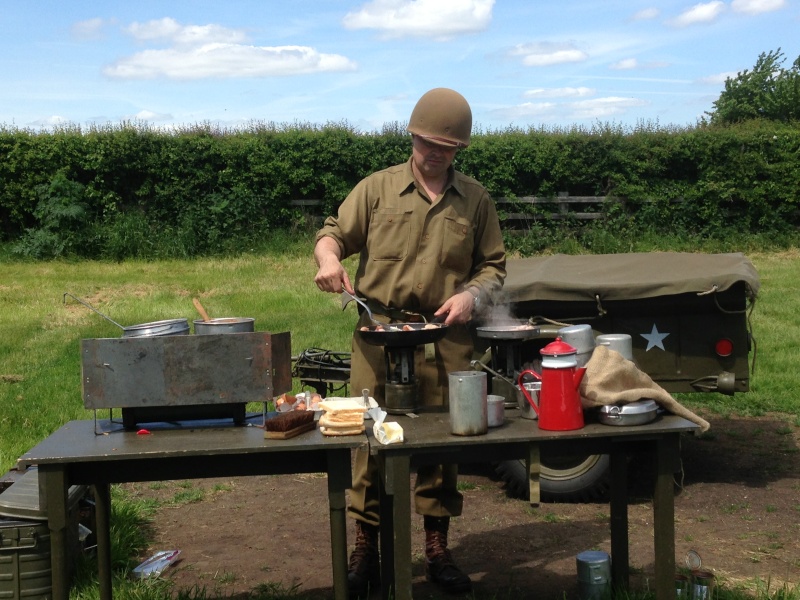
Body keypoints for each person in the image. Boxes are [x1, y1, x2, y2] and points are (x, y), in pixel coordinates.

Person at [313, 87, 506, 598]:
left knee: (443, 443)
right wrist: (328, 259)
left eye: (447, 146)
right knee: (366, 441)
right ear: (412, 136)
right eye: (428, 142)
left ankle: (438, 548)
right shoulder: (376, 190)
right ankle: (364, 547)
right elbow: (332, 234)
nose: (435, 153)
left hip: (447, 337)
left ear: (459, 149)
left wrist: (470, 295)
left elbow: (494, 267)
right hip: (379, 335)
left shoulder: (476, 199)